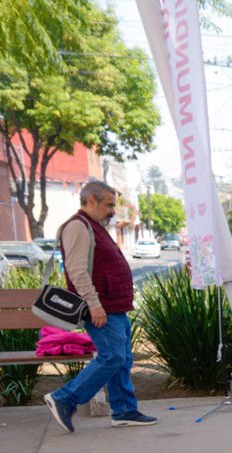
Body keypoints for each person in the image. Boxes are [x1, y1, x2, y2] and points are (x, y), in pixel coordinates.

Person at [44, 180, 156, 433]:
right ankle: (65, 398)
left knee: (122, 360)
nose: (112, 210)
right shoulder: (78, 226)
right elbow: (76, 271)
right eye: (109, 205)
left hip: (114, 306)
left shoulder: (94, 226)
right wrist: (94, 305)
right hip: (101, 308)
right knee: (112, 357)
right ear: (91, 201)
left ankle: (124, 410)